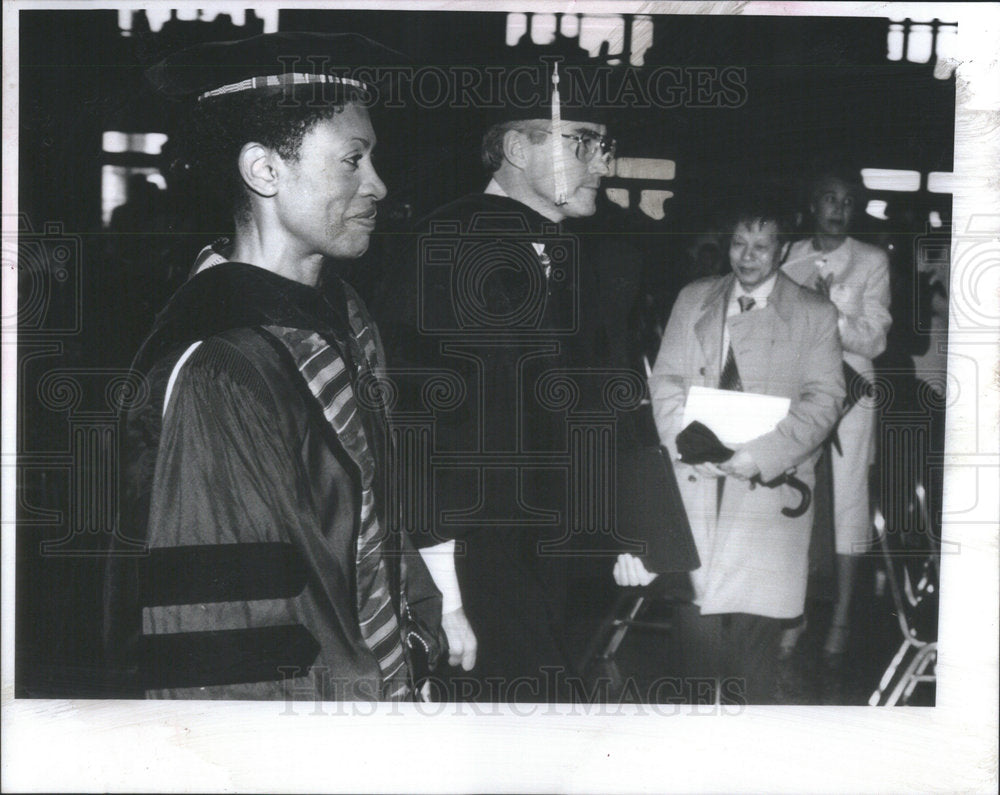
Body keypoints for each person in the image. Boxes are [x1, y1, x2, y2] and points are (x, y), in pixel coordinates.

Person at [102, 32, 452, 701]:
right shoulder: (221, 364)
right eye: (353, 160)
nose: (378, 184)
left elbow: (374, 510)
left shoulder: (342, 315)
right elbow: (225, 638)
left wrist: (417, 638)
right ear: (264, 172)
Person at [371, 63, 618, 702]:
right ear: (515, 148)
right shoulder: (458, 240)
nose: (603, 164)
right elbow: (427, 417)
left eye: (602, 145)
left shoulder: (555, 248)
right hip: (477, 554)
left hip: (544, 550)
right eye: (582, 142)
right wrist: (445, 590)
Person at [614, 200, 845, 704]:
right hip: (693, 486)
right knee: (693, 638)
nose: (747, 256)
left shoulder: (814, 313)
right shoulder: (695, 297)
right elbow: (668, 379)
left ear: (782, 251)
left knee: (750, 656)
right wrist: (684, 442)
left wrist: (759, 457)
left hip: (766, 493)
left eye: (761, 246)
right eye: (739, 243)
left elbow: (825, 400)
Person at [781, 170, 891, 657]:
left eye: (847, 201)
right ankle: (790, 614)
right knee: (790, 495)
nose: (838, 208)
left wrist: (832, 315)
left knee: (848, 501)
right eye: (829, 198)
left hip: (854, 392)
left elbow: (875, 338)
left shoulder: (872, 261)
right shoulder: (788, 254)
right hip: (798, 390)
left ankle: (842, 622)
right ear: (812, 203)